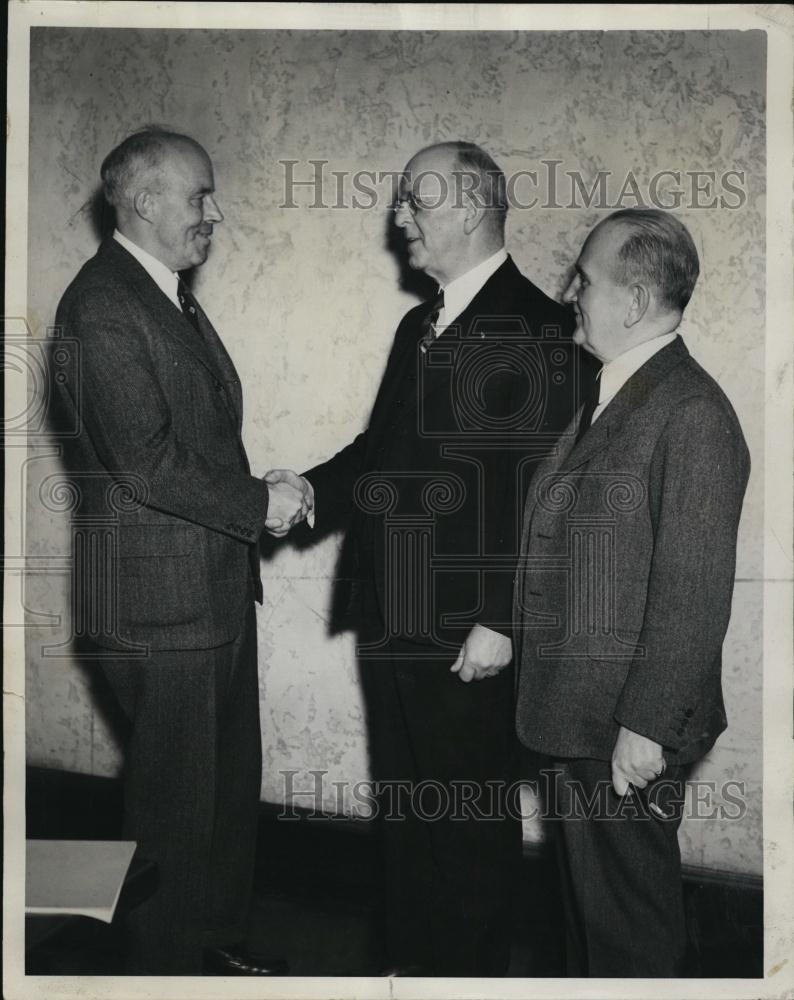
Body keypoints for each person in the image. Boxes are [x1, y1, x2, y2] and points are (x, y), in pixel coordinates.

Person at [268, 141, 592, 975]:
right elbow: (381, 456)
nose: (399, 217)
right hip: (392, 619)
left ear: (473, 206)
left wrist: (503, 618)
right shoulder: (424, 322)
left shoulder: (542, 329)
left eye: (416, 199)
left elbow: (545, 494)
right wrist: (305, 491)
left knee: (468, 840)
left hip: (466, 638)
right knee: (410, 828)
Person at [51, 128, 307, 975]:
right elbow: (145, 460)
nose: (215, 213)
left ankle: (215, 952)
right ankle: (162, 978)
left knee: (224, 799)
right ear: (146, 201)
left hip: (207, 594)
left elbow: (188, 440)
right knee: (174, 815)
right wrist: (258, 501)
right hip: (159, 612)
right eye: (199, 196)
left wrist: (251, 484)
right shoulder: (101, 305)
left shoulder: (161, 295)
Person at [513, 208, 750, 976]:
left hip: (621, 729)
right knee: (593, 923)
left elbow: (694, 589)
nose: (569, 292)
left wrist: (645, 729)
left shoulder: (692, 413)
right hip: (581, 711)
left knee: (628, 937)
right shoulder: (619, 395)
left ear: (636, 300)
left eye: (584, 279)